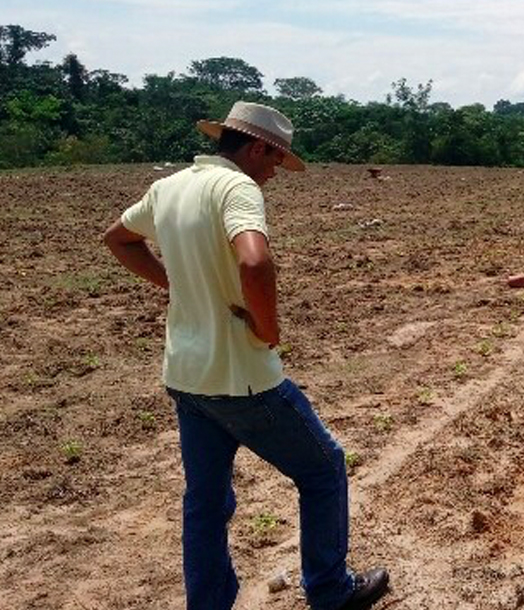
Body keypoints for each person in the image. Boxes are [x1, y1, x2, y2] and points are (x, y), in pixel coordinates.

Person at [103, 101, 390, 610]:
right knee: (324, 468)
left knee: (206, 505)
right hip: (243, 380)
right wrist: (267, 328)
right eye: (276, 160)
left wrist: (178, 285)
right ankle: (330, 591)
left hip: (186, 377)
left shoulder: (167, 188)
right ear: (257, 147)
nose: (275, 173)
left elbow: (118, 239)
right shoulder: (237, 187)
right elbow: (255, 261)